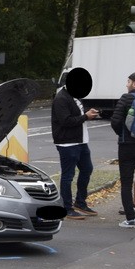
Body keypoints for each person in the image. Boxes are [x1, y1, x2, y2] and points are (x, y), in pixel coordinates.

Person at [51, 67, 99, 220]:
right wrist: (85, 116)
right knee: (68, 176)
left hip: (81, 141)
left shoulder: (75, 97)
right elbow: (65, 121)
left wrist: (89, 113)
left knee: (87, 169)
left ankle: (80, 202)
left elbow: (77, 115)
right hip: (67, 143)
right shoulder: (61, 99)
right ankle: (67, 207)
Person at [110, 71, 135, 227]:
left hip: (127, 145)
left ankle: (130, 218)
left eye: (128, 81)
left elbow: (115, 121)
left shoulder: (126, 98)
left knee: (126, 182)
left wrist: (123, 134)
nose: (127, 84)